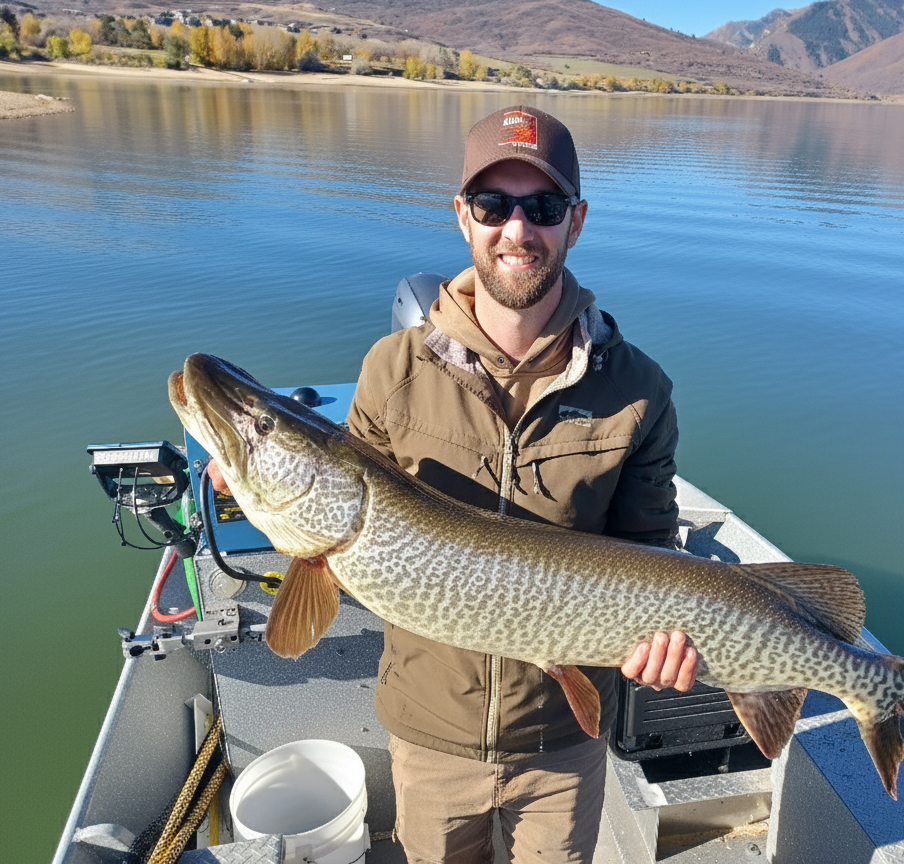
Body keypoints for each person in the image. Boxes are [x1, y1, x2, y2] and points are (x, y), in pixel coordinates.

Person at [211, 105, 697, 863]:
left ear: (576, 221)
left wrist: (663, 648)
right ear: (462, 217)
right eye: (493, 205)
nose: (516, 230)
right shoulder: (391, 370)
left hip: (563, 743)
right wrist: (260, 484)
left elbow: (649, 553)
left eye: (541, 207)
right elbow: (331, 528)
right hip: (430, 734)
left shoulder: (639, 391)